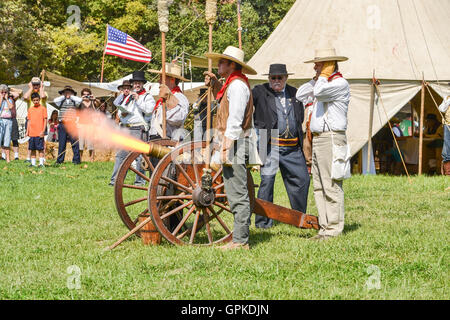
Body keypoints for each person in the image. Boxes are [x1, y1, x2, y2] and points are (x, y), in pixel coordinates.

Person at [204, 46, 259, 250]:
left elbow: (235, 120)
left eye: (222, 62)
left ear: (232, 65)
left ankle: (240, 241)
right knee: (234, 191)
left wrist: (226, 146)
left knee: (238, 193)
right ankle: (239, 237)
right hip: (233, 142)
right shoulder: (232, 84)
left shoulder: (237, 86)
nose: (218, 64)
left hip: (236, 142)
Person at [296, 48, 351, 241]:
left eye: (319, 64)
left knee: (331, 183)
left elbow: (318, 92)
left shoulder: (339, 83)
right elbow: (301, 94)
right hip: (319, 138)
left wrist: (324, 76)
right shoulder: (323, 82)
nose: (314, 67)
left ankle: (334, 229)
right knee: (319, 185)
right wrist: (318, 76)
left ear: (330, 65)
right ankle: (324, 227)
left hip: (332, 137)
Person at [252, 64, 309, 229]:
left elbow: (300, 115)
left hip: (292, 147)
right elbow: (243, 97)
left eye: (279, 78)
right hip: (268, 145)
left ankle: (298, 218)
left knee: (302, 180)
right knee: (267, 182)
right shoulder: (260, 91)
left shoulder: (295, 93)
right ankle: (263, 223)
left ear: (286, 78)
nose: (276, 81)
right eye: (273, 78)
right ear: (269, 78)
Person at [109, 74, 155, 186]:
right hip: (125, 128)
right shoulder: (128, 97)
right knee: (120, 155)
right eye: (135, 83)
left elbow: (149, 110)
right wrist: (123, 113)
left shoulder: (147, 97)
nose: (137, 85)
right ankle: (115, 180)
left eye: (139, 83)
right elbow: (120, 111)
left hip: (138, 128)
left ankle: (139, 181)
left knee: (139, 156)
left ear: (143, 84)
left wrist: (138, 100)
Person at [148, 63, 190, 141]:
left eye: (162, 78)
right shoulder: (161, 100)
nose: (159, 81)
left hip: (169, 140)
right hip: (155, 139)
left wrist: (169, 98)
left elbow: (178, 118)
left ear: (172, 80)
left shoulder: (180, 97)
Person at [53, 85, 82, 165]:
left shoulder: (75, 101)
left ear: (72, 93)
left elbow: (80, 100)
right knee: (62, 143)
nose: (67, 93)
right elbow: (55, 100)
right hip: (62, 124)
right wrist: (64, 96)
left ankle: (76, 160)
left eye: (69, 91)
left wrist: (71, 96)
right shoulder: (61, 100)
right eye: (66, 91)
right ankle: (60, 160)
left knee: (75, 143)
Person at [23, 77, 48, 163]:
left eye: (37, 84)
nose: (35, 86)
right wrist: (30, 88)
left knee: (42, 141)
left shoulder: (43, 92)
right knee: (31, 141)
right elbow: (25, 97)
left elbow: (43, 96)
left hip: (41, 121)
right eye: (34, 84)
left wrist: (41, 88)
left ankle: (42, 158)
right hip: (31, 119)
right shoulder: (31, 95)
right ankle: (29, 158)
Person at [26, 92, 47, 167]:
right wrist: (27, 131)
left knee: (40, 149)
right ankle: (33, 163)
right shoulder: (30, 109)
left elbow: (45, 120)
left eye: (37, 100)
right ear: (32, 101)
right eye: (34, 100)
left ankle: (41, 163)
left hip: (39, 133)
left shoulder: (43, 109)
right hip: (32, 133)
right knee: (32, 149)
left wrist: (43, 131)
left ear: (39, 100)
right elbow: (29, 121)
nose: (36, 102)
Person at [79, 88, 100, 162]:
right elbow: (75, 107)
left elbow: (98, 104)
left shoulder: (92, 102)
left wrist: (94, 99)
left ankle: (91, 159)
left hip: (91, 124)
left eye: (88, 95)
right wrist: (80, 99)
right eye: (84, 95)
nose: (86, 96)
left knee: (90, 143)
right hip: (81, 124)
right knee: (81, 143)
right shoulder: (80, 102)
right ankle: (80, 159)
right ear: (82, 95)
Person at [0, 84, 16, 163]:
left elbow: (11, 107)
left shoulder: (9, 99)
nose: (3, 93)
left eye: (5, 92)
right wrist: (0, 98)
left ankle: (8, 159)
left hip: (8, 121)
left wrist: (6, 99)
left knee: (7, 139)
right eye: (2, 92)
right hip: (1, 120)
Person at [438, 93, 450, 175]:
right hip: (448, 124)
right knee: (447, 148)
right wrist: (448, 101)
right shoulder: (447, 97)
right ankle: (448, 172)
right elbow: (442, 109)